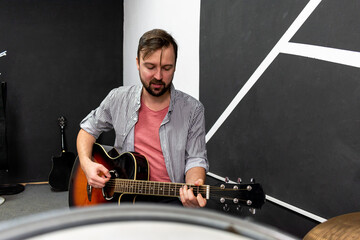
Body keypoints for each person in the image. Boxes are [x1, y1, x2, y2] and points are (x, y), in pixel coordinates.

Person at [76, 29, 208, 208]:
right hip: (121, 198)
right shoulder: (118, 98)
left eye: (167, 68)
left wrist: (193, 188)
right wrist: (86, 163)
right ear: (138, 63)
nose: (158, 76)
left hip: (170, 199)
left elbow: (196, 158)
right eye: (150, 67)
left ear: (175, 66)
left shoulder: (193, 110)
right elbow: (87, 130)